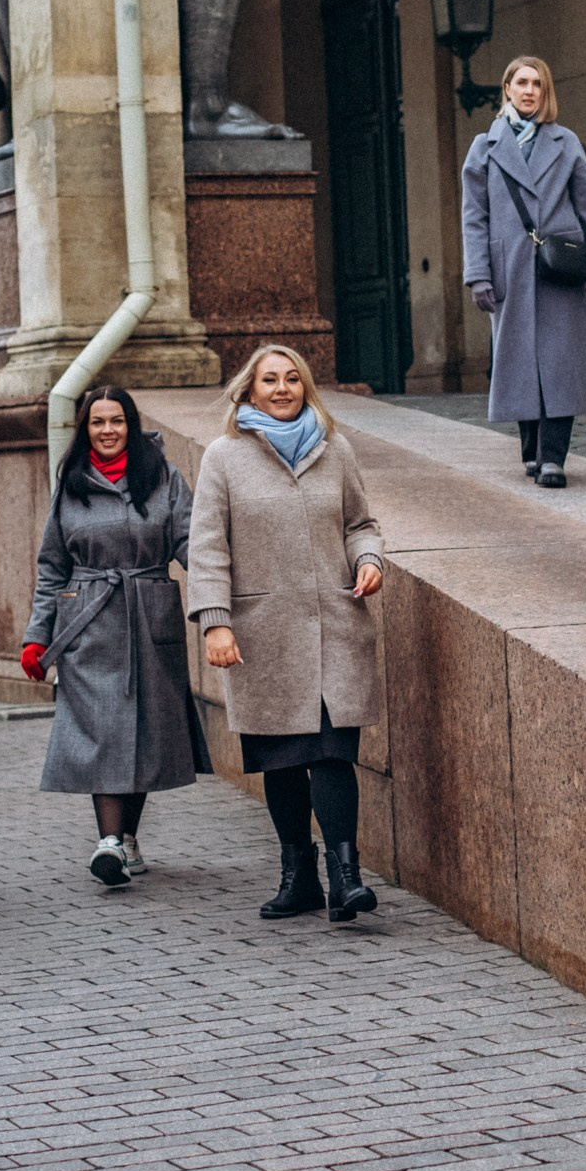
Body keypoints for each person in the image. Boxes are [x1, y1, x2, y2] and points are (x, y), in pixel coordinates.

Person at [186, 345, 386, 922]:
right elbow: (207, 548)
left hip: (333, 628)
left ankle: (345, 880)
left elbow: (360, 523)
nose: (281, 388)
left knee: (329, 753)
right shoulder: (223, 457)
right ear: (248, 390)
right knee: (281, 760)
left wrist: (368, 559)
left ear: (306, 387)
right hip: (263, 635)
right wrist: (215, 623)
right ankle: (298, 875)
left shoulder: (335, 447)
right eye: (269, 380)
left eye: (292, 378)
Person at [21, 387, 209, 887]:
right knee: (104, 727)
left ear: (131, 424)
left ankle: (126, 838)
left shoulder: (162, 476)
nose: (107, 431)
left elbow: (190, 540)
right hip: (87, 620)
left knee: (143, 728)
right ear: (85, 429)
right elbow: (52, 564)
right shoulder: (72, 483)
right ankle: (108, 841)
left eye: (117, 421)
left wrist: (221, 593)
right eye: (97, 422)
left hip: (150, 616)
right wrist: (37, 636)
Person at [461, 56, 586, 488]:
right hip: (508, 266)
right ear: (507, 88)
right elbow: (474, 217)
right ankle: (531, 449)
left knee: (560, 361)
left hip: (560, 268)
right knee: (518, 361)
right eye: (523, 83)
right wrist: (478, 274)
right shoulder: (484, 147)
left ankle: (553, 457)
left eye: (539, 85)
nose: (530, 91)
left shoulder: (566, 143)